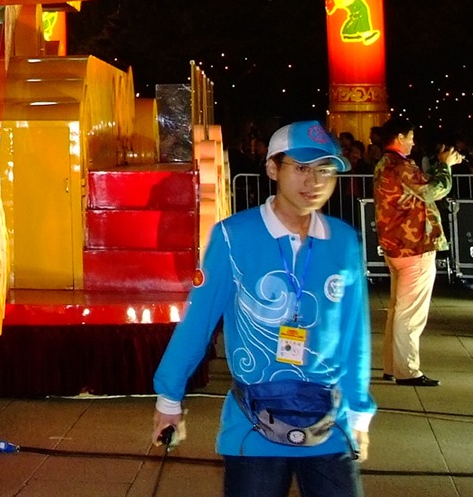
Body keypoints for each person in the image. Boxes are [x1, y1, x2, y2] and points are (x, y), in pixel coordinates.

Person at [152, 120, 374, 497]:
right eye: (301, 168)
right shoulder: (233, 235)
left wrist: (359, 413)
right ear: (273, 168)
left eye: (325, 170)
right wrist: (169, 397)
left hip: (330, 423)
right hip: (254, 422)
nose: (314, 182)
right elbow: (198, 321)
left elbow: (356, 333)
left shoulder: (344, 241)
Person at [373, 117, 459, 386]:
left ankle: (392, 365)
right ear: (399, 137)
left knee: (398, 309)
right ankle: (407, 370)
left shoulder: (384, 164)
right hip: (415, 246)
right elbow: (434, 190)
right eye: (410, 137)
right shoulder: (401, 165)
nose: (413, 142)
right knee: (410, 313)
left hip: (395, 246)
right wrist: (445, 166)